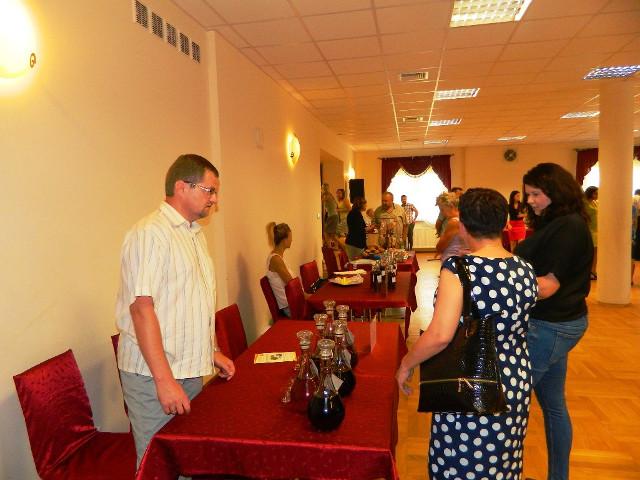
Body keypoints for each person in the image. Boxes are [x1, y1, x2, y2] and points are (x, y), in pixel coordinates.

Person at [396, 188, 538, 480]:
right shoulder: (525, 268)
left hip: (471, 381)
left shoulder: (461, 269)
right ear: (504, 223)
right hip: (515, 379)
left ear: (462, 226)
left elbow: (440, 334)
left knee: (462, 464)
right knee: (502, 464)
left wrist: (406, 363)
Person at [116, 154, 236, 469]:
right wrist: (165, 380)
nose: (215, 199)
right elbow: (141, 310)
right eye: (210, 191)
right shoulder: (150, 233)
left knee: (186, 460)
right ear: (182, 187)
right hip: (153, 374)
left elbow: (189, 304)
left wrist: (211, 350)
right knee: (158, 465)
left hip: (187, 369)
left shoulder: (193, 234)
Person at [514, 163, 593, 480]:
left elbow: (547, 286)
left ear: (556, 192)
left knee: (508, 402)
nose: (529, 200)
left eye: (536, 194)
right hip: (554, 322)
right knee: (554, 406)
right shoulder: (558, 223)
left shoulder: (569, 227)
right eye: (528, 194)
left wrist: (501, 285)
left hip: (552, 325)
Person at [266, 222, 294, 317]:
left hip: (291, 303)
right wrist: (307, 296)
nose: (292, 240)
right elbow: (292, 285)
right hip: (289, 307)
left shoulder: (279, 258)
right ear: (284, 240)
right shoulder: (276, 260)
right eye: (290, 237)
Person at [435, 192, 469, 263]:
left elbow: (440, 246)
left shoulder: (454, 222)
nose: (442, 213)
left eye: (442, 209)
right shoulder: (464, 217)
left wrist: (438, 250)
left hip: (452, 259)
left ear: (451, 206)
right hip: (461, 257)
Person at [584, 186, 598, 280]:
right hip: (589, 230)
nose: (597, 195)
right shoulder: (585, 203)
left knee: (595, 253)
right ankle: (589, 272)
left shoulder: (594, 202)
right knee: (589, 253)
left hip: (595, 230)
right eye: (595, 193)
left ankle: (593, 271)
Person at [322, 184, 339, 248]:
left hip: (332, 216)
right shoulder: (330, 195)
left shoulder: (327, 195)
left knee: (327, 233)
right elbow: (336, 205)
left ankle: (332, 247)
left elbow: (320, 200)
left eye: (323, 188)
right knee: (330, 234)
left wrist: (322, 194)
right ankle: (335, 246)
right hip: (333, 216)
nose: (322, 189)